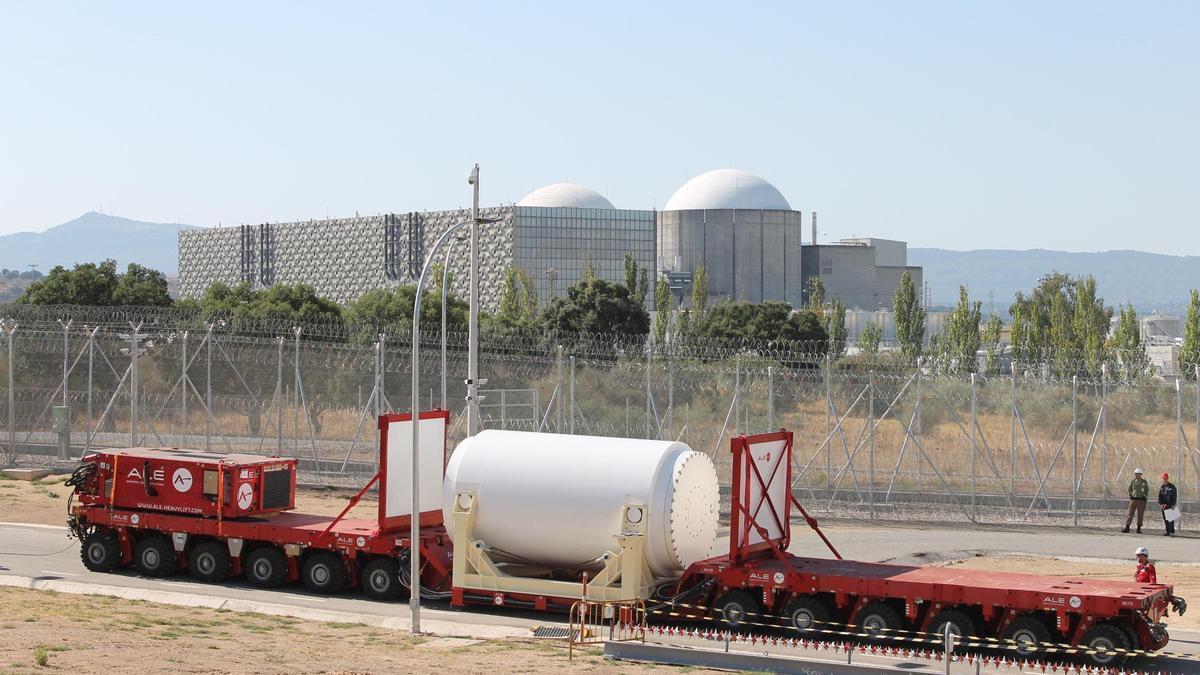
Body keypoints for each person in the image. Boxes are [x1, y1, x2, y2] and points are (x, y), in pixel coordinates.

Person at [1123, 468, 1150, 533]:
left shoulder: (1144, 482)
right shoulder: (1133, 481)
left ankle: (1138, 528)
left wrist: (1145, 496)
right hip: (1134, 499)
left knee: (1140, 514)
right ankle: (1127, 527)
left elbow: (1147, 490)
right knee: (1130, 513)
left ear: (1141, 474)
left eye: (1138, 474)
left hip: (1141, 500)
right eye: (1135, 474)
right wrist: (1131, 495)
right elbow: (1130, 489)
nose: (1136, 475)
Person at [1159, 472, 1178, 537]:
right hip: (1164, 506)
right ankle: (1167, 531)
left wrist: (1173, 504)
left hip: (1170, 505)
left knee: (1171, 519)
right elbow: (1160, 496)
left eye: (1165, 478)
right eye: (1163, 478)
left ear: (1167, 478)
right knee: (1165, 519)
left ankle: (1172, 532)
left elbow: (1175, 496)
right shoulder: (1162, 487)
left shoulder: (1172, 486)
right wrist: (1161, 504)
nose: (1164, 480)